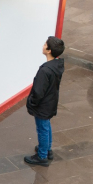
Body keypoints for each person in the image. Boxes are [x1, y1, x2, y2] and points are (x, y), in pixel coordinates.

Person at [25, 36, 65, 166]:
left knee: (42, 129)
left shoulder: (45, 70)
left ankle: (42, 156)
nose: (43, 45)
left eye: (45, 44)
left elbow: (38, 92)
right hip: (51, 102)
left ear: (49, 50)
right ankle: (47, 149)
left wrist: (32, 103)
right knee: (46, 126)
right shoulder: (57, 66)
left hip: (43, 106)